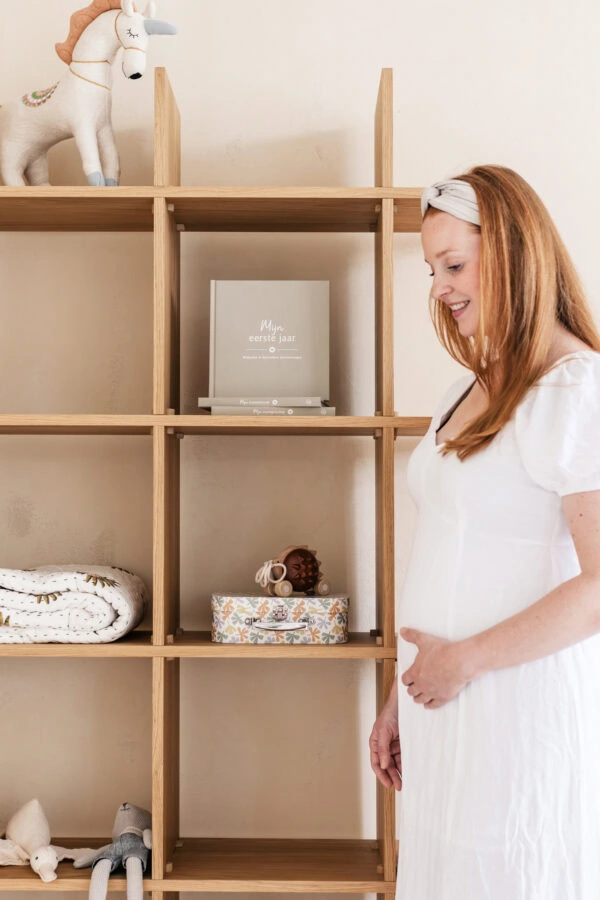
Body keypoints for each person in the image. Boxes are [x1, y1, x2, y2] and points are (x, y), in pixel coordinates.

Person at [369, 165, 600, 899]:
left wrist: (463, 661)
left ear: (514, 253)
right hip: (445, 707)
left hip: (516, 714)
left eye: (455, 264)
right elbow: (448, 550)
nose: (440, 286)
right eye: (434, 268)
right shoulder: (464, 389)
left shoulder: (575, 390)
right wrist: (399, 697)